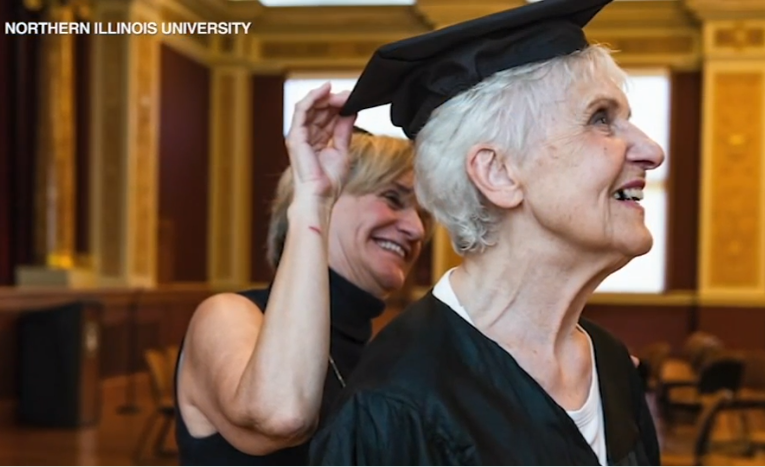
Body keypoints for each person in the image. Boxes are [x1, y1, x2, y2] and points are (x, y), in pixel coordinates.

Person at [309, 0, 664, 465]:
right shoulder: (398, 403)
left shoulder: (612, 366)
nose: (652, 151)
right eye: (600, 118)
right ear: (498, 172)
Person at [173, 84, 430, 465]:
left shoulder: (379, 348)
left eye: (423, 214)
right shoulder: (229, 314)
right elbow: (280, 415)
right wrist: (314, 197)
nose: (417, 229)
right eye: (392, 199)